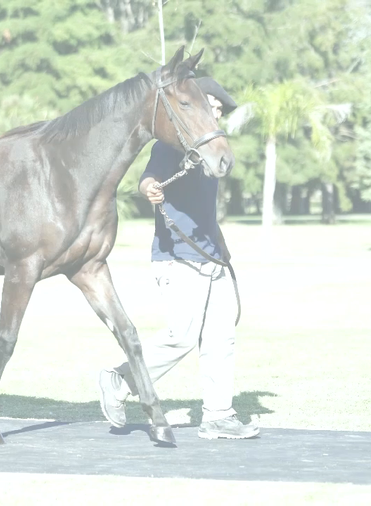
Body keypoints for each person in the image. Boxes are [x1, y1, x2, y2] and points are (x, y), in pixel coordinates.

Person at [97, 77, 259, 440]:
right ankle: (121, 380)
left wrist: (220, 245)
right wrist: (150, 189)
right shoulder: (172, 145)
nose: (217, 113)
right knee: (182, 336)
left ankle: (218, 415)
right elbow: (148, 179)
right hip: (176, 257)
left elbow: (202, 209)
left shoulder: (209, 148)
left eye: (220, 109)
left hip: (212, 258)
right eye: (213, 105)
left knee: (221, 338)